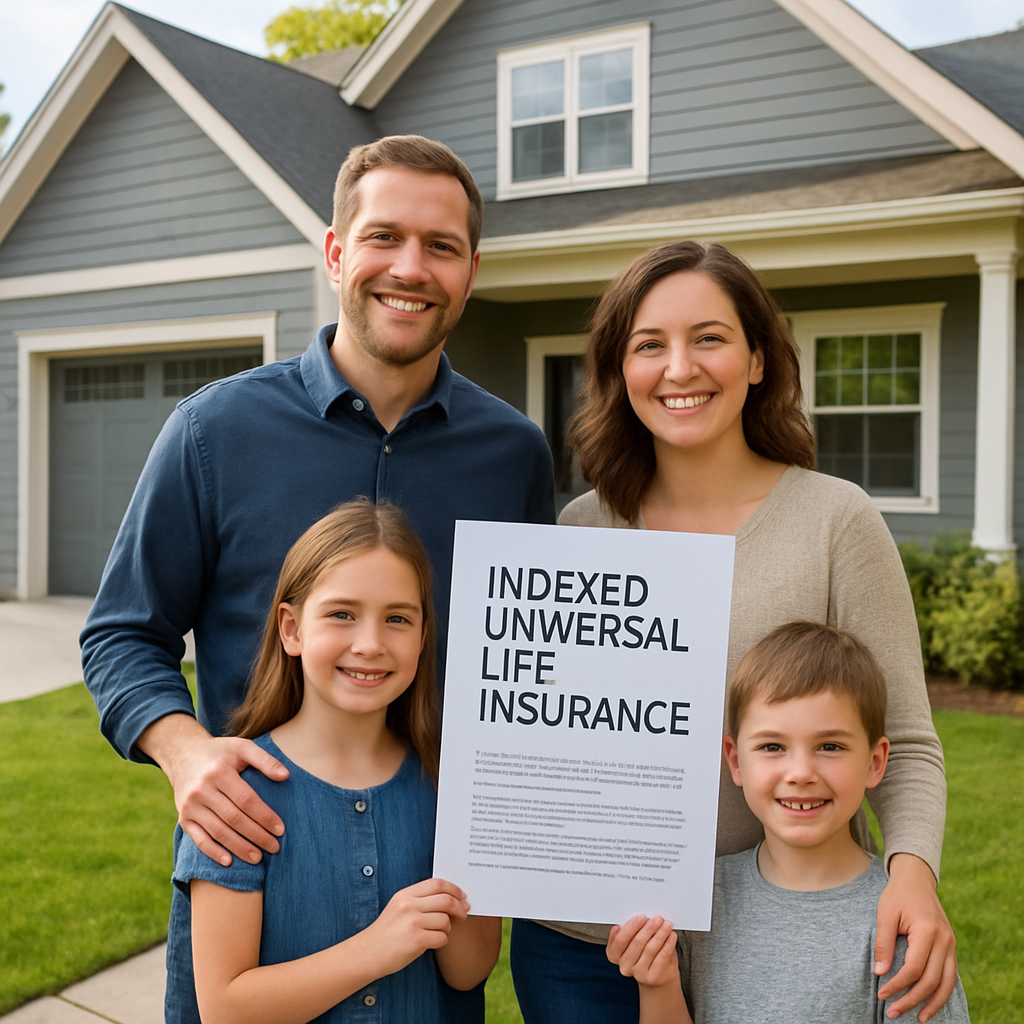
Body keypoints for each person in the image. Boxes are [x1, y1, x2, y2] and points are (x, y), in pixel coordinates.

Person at [80, 135, 554, 1023]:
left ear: (471, 271)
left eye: (441, 247)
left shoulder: (514, 455)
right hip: (259, 896)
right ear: (336, 251)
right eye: (383, 238)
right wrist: (187, 755)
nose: (410, 268)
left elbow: (531, 667)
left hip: (433, 915)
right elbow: (121, 633)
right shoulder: (213, 431)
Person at [511, 240, 955, 1024]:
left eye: (709, 338)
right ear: (620, 371)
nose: (680, 368)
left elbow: (909, 742)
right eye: (650, 345)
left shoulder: (834, 520)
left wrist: (912, 876)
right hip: (585, 942)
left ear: (757, 359)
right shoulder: (581, 528)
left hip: (772, 932)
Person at [175, 500, 501, 1023]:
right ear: (292, 629)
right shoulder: (235, 795)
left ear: (422, 638)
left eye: (398, 618)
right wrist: (375, 949)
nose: (370, 644)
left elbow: (469, 970)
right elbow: (225, 1009)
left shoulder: (448, 785)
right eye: (342, 614)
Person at [605, 622, 970, 1024]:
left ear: (875, 761)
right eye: (772, 746)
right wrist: (657, 986)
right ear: (736, 759)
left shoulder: (901, 925)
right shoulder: (697, 902)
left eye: (829, 746)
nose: (800, 772)